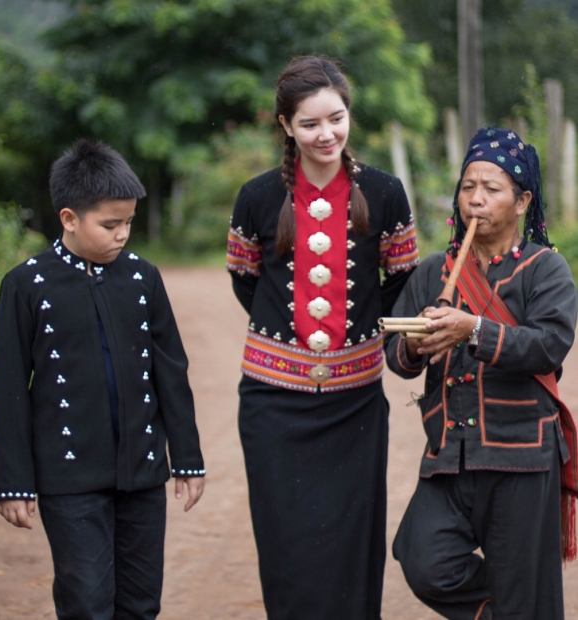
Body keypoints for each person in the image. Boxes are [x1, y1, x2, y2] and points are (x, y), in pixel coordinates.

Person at [226, 55, 419, 619]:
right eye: (309, 123)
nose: (325, 133)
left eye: (336, 118)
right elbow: (245, 280)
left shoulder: (385, 193)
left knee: (352, 542)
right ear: (286, 126)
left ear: (349, 115)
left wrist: (358, 330)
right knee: (286, 544)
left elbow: (400, 278)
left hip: (355, 403)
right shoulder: (256, 197)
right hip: (271, 404)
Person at [0, 139, 205, 619]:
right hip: (68, 477)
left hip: (143, 471)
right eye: (110, 224)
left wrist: (187, 459)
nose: (123, 234)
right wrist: (12, 482)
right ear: (69, 218)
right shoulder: (26, 285)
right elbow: (10, 390)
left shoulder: (143, 278)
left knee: (141, 602)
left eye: (128, 222)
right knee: (86, 602)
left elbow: (171, 371)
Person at [385, 126, 578, 619]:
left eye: (491, 189)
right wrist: (413, 344)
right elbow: (396, 355)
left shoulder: (545, 269)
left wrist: (473, 330)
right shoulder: (434, 271)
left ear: (521, 202)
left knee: (523, 582)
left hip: (521, 457)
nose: (476, 199)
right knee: (424, 559)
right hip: (450, 454)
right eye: (468, 187)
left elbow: (549, 346)